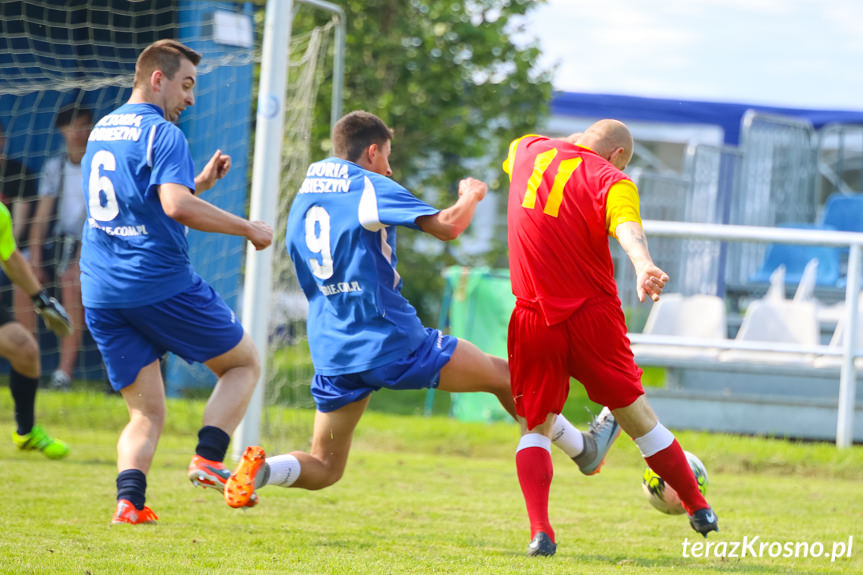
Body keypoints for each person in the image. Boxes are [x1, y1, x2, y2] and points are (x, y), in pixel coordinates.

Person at [220, 111, 619, 510]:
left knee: (325, 467)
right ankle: (583, 449)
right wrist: (471, 194)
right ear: (371, 151)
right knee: (509, 377)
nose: (389, 168)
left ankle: (260, 471)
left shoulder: (305, 194)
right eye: (387, 157)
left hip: (334, 349)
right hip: (392, 340)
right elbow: (448, 226)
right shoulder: (367, 186)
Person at [79, 39, 273, 525]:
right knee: (244, 363)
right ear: (157, 78)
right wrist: (248, 227)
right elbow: (176, 207)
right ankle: (209, 458)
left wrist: (198, 183)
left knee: (145, 413)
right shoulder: (162, 134)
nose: (190, 98)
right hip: (156, 282)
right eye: (186, 85)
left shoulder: (103, 129)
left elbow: (140, 200)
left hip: (101, 290)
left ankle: (130, 503)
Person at [503, 120, 719, 556]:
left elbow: (519, 169)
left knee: (535, 426)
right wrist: (642, 264)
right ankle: (699, 507)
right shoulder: (612, 179)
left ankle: (540, 531)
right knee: (639, 419)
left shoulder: (525, 149)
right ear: (619, 155)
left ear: (582, 137)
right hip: (591, 317)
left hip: (533, 313)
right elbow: (626, 227)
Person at [28, 104, 94, 390]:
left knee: (71, 282)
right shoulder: (55, 167)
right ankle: (27, 364)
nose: (80, 133)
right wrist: (35, 259)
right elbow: (42, 217)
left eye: (85, 125)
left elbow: (98, 218)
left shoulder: (97, 163)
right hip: (59, 243)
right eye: (74, 127)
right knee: (22, 284)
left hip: (91, 244)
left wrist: (80, 257)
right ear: (62, 131)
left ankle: (62, 374)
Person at [0, 201, 72, 459]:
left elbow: (10, 256)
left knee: (24, 349)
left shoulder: (1, 215)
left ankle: (26, 432)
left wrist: (41, 299)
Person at [0, 121, 38, 310]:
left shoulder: (18, 173)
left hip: (14, 248)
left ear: (3, 140)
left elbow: (17, 230)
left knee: (24, 274)